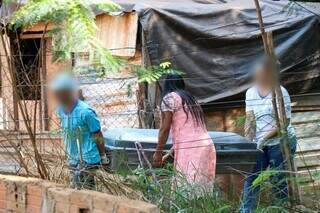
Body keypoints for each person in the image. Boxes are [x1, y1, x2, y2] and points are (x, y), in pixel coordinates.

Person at [240, 60, 297, 212]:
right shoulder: (250, 92)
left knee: (278, 179)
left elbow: (283, 123)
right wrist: (249, 141)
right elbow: (250, 119)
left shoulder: (280, 92)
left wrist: (264, 139)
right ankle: (246, 210)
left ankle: (280, 209)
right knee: (252, 178)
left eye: (260, 70)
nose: (257, 73)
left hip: (280, 142)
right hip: (259, 143)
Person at [153, 74, 216, 189]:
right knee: (201, 191)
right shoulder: (191, 99)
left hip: (190, 149)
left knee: (186, 189)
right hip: (206, 145)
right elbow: (190, 131)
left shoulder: (169, 98)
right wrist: (168, 154)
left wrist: (158, 152)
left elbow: (165, 128)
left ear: (166, 86)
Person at [51, 73, 109, 189]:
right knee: (77, 189)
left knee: (85, 189)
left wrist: (103, 156)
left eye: (59, 92)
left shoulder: (86, 112)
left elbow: (97, 134)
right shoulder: (60, 110)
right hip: (72, 156)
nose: (56, 95)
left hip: (87, 157)